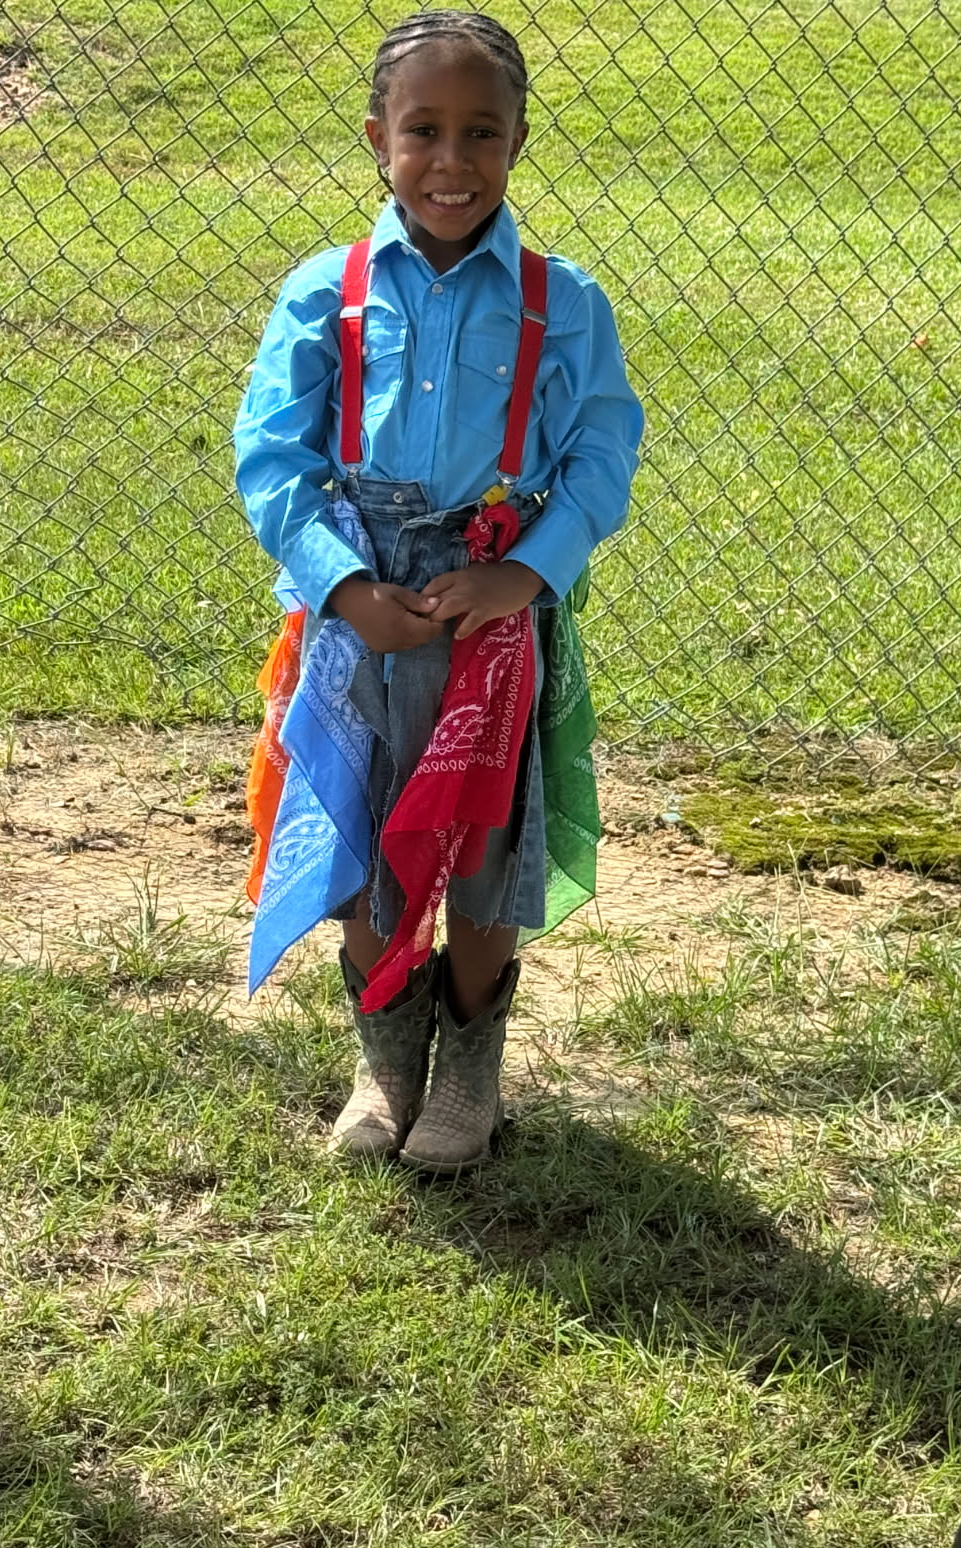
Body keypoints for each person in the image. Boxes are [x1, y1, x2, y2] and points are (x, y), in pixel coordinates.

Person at [235, 10, 643, 1174]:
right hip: (362, 617)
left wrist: (524, 572)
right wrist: (342, 586)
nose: (451, 161)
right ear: (379, 139)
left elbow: (600, 458)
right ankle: (385, 1066)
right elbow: (271, 458)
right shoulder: (327, 292)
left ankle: (469, 1073)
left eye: (481, 133)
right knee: (363, 834)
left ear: (518, 139)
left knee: (483, 844)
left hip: (490, 619)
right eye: (423, 131)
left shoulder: (564, 303)